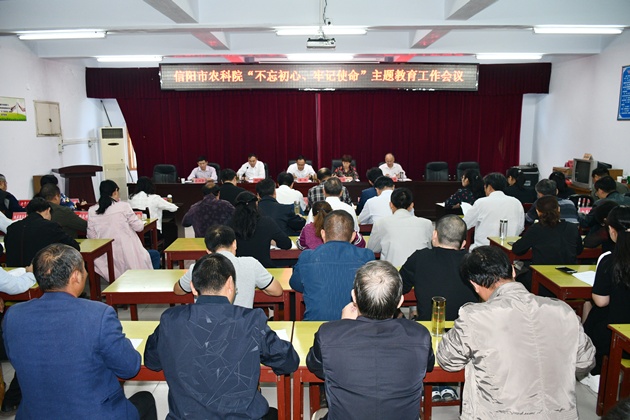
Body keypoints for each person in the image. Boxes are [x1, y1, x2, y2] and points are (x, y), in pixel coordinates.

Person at [437, 246, 595, 419]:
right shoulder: (563, 311)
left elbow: (448, 360)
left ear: (474, 285)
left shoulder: (475, 317)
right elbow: (586, 361)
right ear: (513, 271)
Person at [3, 244, 157, 419]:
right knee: (145, 399)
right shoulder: (98, 314)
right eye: (84, 268)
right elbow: (129, 368)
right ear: (75, 276)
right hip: (92, 415)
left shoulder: (14, 315)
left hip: (35, 414)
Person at [145, 253, 299, 419]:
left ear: (193, 287)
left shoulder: (170, 320)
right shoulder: (250, 320)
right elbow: (288, 361)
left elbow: (152, 361)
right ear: (230, 284)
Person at [306, 260, 434, 420]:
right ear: (400, 301)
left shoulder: (328, 334)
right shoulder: (420, 335)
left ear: (354, 296)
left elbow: (315, 365)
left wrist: (343, 326)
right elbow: (428, 366)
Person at [290, 210, 375, 320]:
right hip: (355, 324)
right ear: (353, 236)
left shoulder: (307, 257)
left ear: (323, 234)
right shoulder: (366, 256)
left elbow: (295, 284)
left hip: (316, 325)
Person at [174, 225, 283, 308]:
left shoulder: (197, 267)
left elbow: (178, 290)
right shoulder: (251, 264)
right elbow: (277, 291)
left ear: (208, 251)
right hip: (243, 326)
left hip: (206, 327)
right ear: (235, 244)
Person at [583, 206, 630, 391]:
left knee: (594, 314)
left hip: (614, 331)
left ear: (611, 230)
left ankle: (595, 372)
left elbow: (601, 301)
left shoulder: (610, 259)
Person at [400, 214, 477, 320]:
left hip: (429, 326)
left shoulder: (419, 258)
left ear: (434, 235)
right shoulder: (475, 263)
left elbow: (398, 287)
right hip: (466, 326)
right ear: (464, 243)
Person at [512, 195, 584, 290]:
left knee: (518, 276)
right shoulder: (572, 228)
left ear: (538, 211)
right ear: (558, 209)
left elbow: (517, 249)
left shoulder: (536, 229)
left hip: (541, 280)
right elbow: (579, 250)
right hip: (568, 278)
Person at [87, 180, 154, 280]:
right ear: (115, 192)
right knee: (149, 257)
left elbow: (91, 236)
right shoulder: (123, 206)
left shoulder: (92, 210)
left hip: (106, 255)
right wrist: (139, 220)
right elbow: (139, 227)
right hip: (128, 252)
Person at [5, 197, 80, 267]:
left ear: (27, 213)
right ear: (48, 210)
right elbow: (74, 246)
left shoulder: (11, 228)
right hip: (39, 273)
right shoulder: (51, 226)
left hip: (12, 273)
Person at [367, 187, 432, 267]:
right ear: (412, 205)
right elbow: (430, 249)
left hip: (392, 272)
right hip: (420, 270)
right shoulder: (427, 224)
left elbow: (372, 249)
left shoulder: (381, 223)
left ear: (391, 205)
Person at [228, 191, 291, 268]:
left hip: (238, 269)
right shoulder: (267, 222)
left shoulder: (229, 225)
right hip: (264, 268)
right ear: (256, 205)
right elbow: (287, 244)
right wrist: (272, 241)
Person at [463, 172, 524, 250]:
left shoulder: (481, 202)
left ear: (489, 187)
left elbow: (465, 224)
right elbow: (520, 228)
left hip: (482, 250)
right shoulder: (516, 202)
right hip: (508, 251)